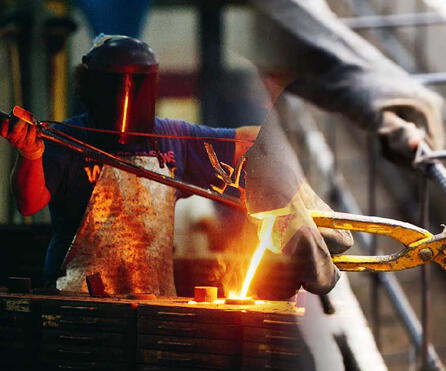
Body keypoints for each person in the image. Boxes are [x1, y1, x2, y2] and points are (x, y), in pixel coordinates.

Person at [0, 35, 349, 298]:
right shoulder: (65, 139)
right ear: (90, 86)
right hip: (75, 302)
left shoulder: (171, 137)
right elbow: (30, 203)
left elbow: (244, 144)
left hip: (153, 301)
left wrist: (284, 155)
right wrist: (30, 154)